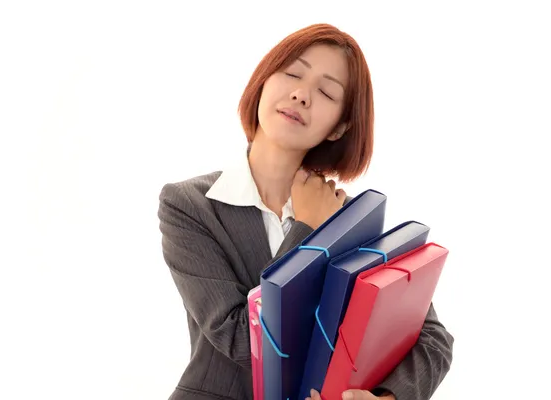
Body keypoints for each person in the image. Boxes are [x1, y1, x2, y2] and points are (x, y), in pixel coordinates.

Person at [157, 23, 453, 400]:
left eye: (326, 92)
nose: (301, 95)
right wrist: (309, 230)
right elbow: (239, 338)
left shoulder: (350, 219)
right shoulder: (190, 206)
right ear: (263, 82)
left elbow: (432, 338)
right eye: (292, 74)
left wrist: (386, 398)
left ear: (339, 127)